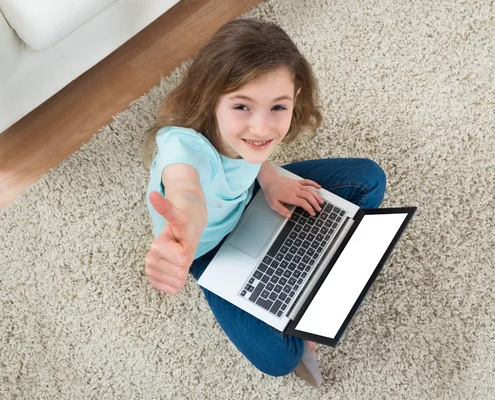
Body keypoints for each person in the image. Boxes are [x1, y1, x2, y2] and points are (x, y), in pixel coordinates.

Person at [141, 18, 387, 388]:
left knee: (369, 180)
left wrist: (270, 178)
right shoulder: (181, 147)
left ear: (296, 97)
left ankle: (305, 277)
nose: (261, 129)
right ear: (211, 99)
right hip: (209, 252)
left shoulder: (249, 141)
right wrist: (188, 229)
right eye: (242, 106)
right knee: (280, 359)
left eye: (278, 108)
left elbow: (251, 155)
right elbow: (186, 191)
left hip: (253, 195)